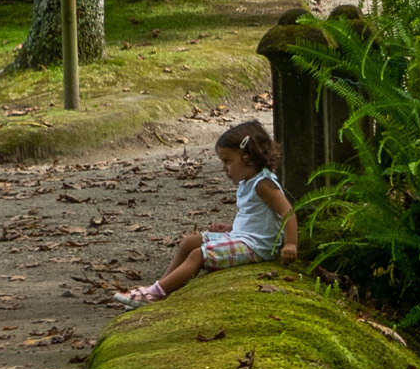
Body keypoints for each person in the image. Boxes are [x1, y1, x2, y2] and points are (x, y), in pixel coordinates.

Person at [113, 121, 296, 303]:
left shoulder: (263, 184)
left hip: (258, 247)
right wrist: (230, 227)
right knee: (189, 242)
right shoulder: (248, 181)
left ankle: (156, 293)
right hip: (243, 237)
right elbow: (257, 216)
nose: (224, 168)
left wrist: (290, 244)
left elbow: (287, 212)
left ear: (248, 158)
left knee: (199, 255)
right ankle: (161, 288)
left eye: (228, 161)